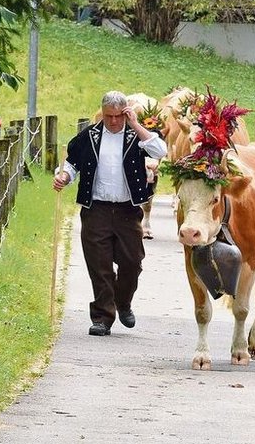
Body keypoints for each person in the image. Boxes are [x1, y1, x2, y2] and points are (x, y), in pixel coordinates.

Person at [53, 91, 169, 337]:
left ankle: (123, 302)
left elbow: (160, 151)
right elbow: (72, 162)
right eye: (109, 116)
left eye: (118, 116)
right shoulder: (91, 135)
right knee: (99, 265)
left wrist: (136, 124)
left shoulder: (134, 136)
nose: (114, 121)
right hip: (96, 209)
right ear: (102, 113)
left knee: (132, 261)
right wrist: (64, 176)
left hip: (128, 210)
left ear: (125, 113)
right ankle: (102, 317)